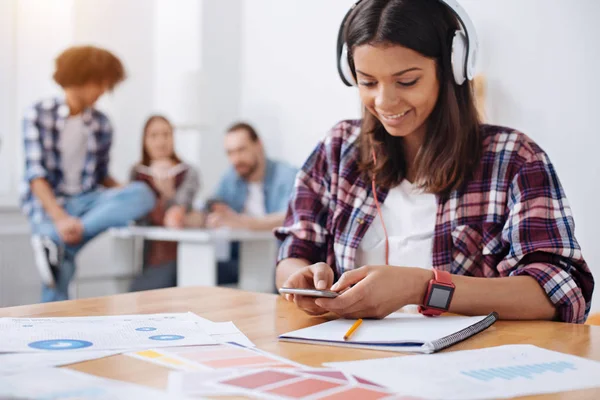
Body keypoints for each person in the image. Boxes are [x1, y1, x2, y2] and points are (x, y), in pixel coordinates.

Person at [276, 0, 594, 323]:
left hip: (466, 367)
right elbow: (292, 254)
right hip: (349, 361)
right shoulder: (337, 150)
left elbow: (560, 292)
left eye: (407, 81)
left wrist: (422, 287)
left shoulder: (515, 159)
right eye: (368, 82)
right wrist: (302, 279)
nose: (384, 101)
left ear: (453, 67)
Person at [21, 45, 156, 302]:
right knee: (61, 272)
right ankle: (58, 250)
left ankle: (57, 245)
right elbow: (35, 176)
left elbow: (103, 176)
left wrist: (127, 197)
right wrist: (60, 220)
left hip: (86, 203)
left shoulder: (102, 123)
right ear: (82, 78)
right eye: (101, 82)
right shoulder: (37, 114)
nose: (105, 90)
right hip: (49, 206)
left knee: (142, 193)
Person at [186, 122, 297, 284]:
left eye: (241, 150)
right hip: (241, 262)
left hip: (279, 263)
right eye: (230, 153)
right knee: (196, 273)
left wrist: (241, 222)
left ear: (259, 145)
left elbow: (289, 218)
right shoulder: (232, 177)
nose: (236, 159)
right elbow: (211, 205)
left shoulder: (286, 175)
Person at [129, 115, 200, 291]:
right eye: (154, 136)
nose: (161, 141)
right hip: (146, 257)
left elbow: (176, 216)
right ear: (145, 140)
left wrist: (167, 193)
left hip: (181, 256)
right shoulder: (137, 174)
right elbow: (136, 217)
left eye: (166, 135)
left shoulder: (188, 172)